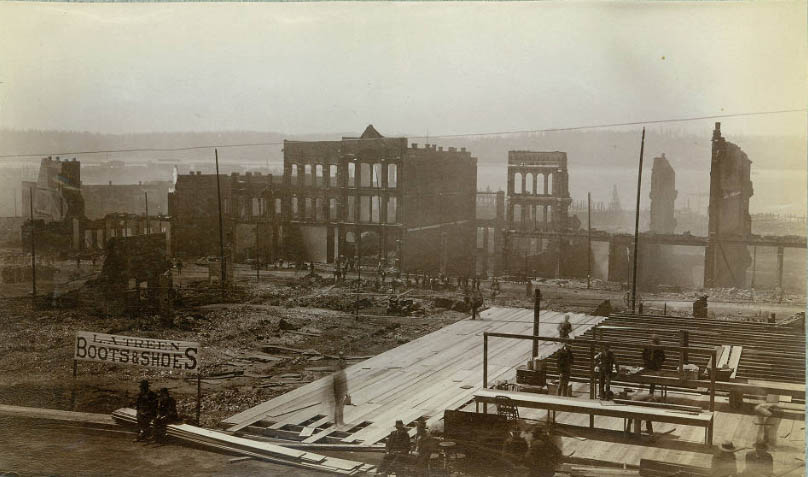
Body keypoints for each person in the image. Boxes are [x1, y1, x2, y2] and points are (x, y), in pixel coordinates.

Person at [332, 354, 348, 428]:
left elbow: (345, 384)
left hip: (341, 392)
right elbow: (335, 385)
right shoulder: (339, 374)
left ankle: (340, 422)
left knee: (340, 407)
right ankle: (337, 423)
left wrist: (346, 392)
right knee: (339, 407)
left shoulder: (342, 373)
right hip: (339, 393)